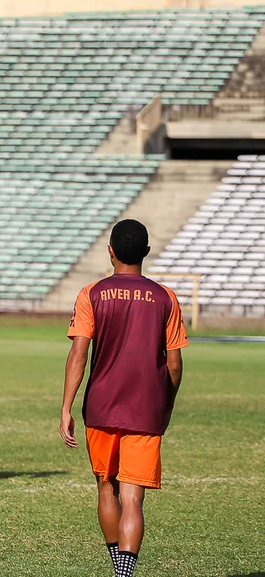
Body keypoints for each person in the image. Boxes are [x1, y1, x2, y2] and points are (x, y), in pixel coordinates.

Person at [60, 219, 187, 577]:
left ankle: (117, 567)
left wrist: (67, 408)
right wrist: (166, 401)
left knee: (106, 487)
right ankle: (124, 573)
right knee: (133, 497)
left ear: (110, 251)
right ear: (146, 252)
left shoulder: (92, 293)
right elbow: (175, 364)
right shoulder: (166, 297)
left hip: (100, 406)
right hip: (146, 408)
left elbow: (78, 355)